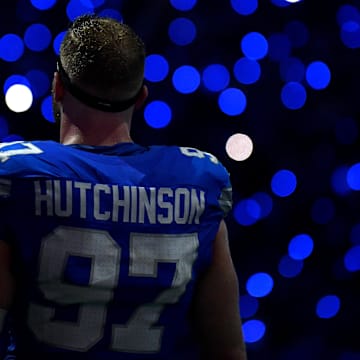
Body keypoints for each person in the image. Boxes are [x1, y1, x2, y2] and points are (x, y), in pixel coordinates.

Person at [0, 14, 247, 360]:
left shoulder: (16, 177)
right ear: (142, 97)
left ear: (56, 87)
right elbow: (228, 350)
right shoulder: (198, 183)